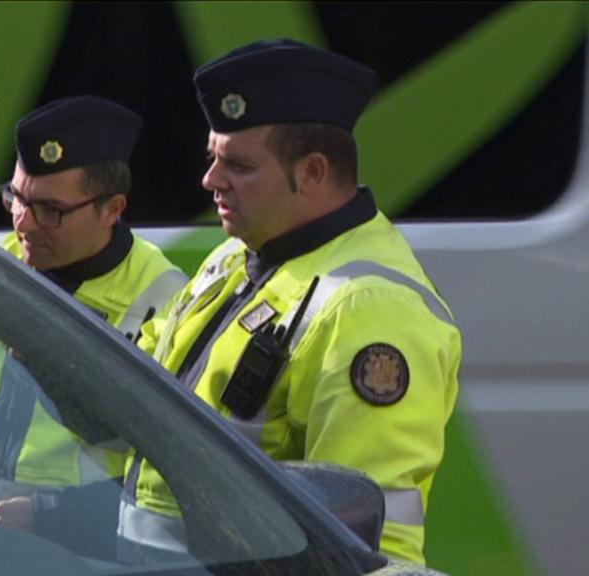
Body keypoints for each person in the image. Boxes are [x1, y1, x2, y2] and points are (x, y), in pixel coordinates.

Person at [119, 39, 462, 565]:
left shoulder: (371, 309)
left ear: (313, 174)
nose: (210, 179)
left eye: (239, 165)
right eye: (212, 157)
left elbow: (369, 545)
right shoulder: (241, 254)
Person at [0, 95, 187, 557]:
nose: (23, 223)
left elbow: (173, 471)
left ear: (112, 209)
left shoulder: (164, 298)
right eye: (16, 198)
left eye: (50, 210)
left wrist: (53, 518)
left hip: (94, 557)